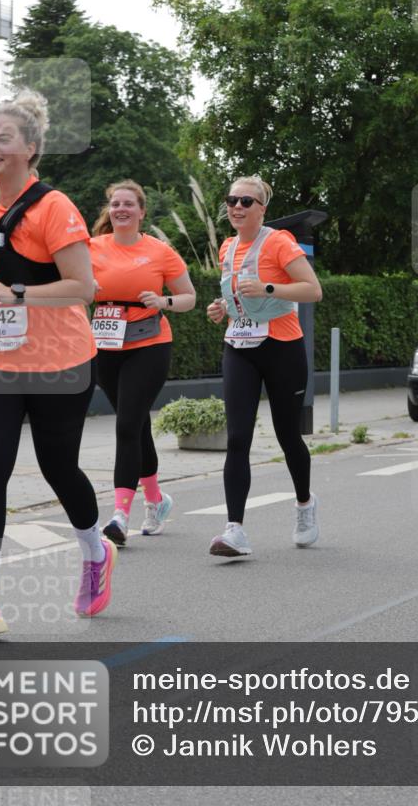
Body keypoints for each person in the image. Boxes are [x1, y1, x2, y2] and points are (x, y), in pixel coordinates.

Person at [0, 90, 116, 642]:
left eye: (2, 139)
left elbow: (82, 288)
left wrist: (16, 293)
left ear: (31, 148)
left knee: (57, 467)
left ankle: (94, 549)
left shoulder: (53, 207)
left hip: (58, 360)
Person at [206, 175, 322, 558]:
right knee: (238, 438)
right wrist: (222, 309)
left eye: (246, 201)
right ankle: (234, 529)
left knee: (288, 436)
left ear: (262, 209)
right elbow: (238, 296)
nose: (237, 207)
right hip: (239, 345)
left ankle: (305, 504)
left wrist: (270, 288)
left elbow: (312, 290)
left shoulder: (279, 242)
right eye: (232, 200)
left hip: (282, 347)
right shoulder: (227, 247)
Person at [90, 181, 196, 546]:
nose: (121, 209)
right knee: (135, 427)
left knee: (126, 426)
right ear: (110, 209)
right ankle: (156, 500)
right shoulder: (92, 247)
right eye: (115, 203)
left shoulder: (159, 251)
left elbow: (189, 298)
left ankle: (120, 515)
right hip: (105, 343)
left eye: (128, 204)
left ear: (141, 212)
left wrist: (162, 302)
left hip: (148, 344)